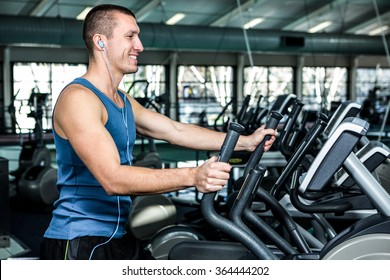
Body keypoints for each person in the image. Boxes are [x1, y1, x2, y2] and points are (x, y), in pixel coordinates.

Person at [40, 4, 277, 260]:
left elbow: (175, 130)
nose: (139, 46)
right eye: (130, 36)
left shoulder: (122, 100)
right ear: (101, 42)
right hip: (79, 240)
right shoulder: (79, 98)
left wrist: (246, 142)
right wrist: (194, 176)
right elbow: (112, 179)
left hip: (117, 233)